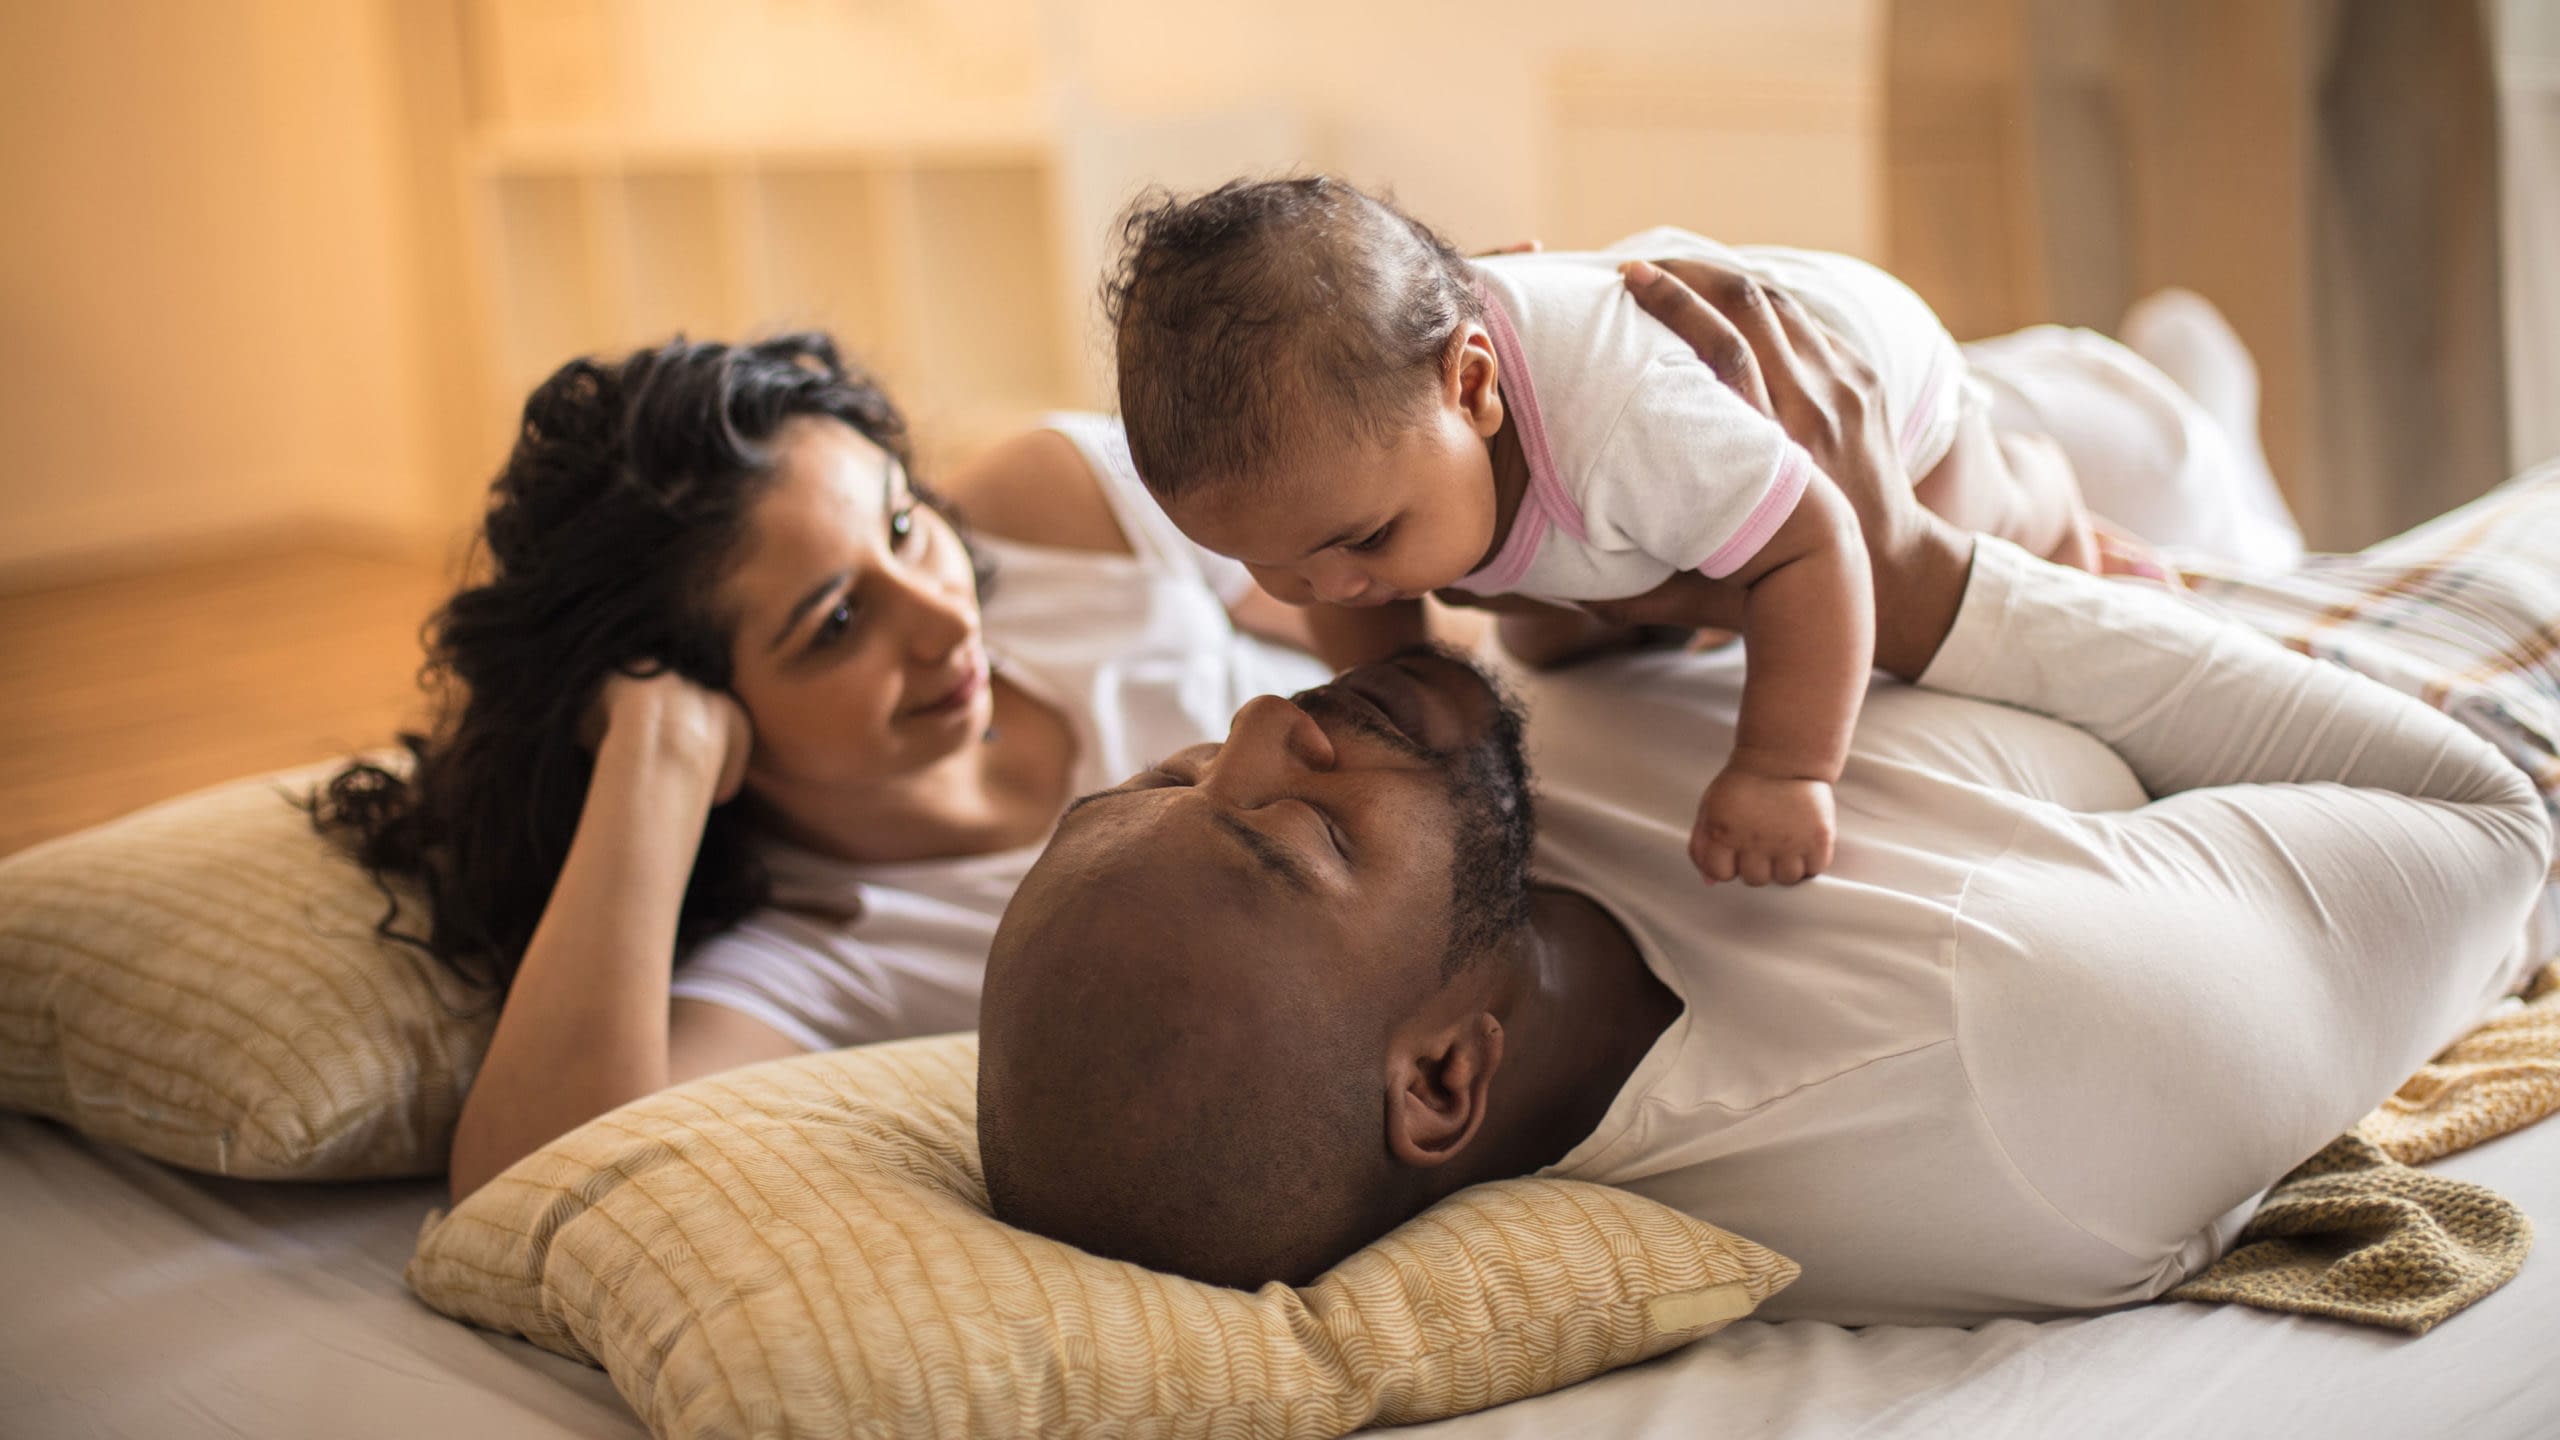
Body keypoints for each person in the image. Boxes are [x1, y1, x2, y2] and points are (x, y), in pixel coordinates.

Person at [976, 255, 2554, 1324]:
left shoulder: (1469, 836)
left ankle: (2160, 418)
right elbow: (2494, 821)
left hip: (2159, 601)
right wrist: (1914, 567)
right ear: (1445, 1082)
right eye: (1295, 832)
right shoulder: (2018, 1045)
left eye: (1178, 772)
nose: (1265, 722)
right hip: (2464, 669)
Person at [1107, 177, 2113, 889]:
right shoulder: (1368, 468)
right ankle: (1665, 581)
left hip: (1869, 384)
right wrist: (1391, 705)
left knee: (1938, 558)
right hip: (1623, 482)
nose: (1320, 590)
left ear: (1472, 386)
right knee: (1544, 637)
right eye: (1265, 565)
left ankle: (2056, 497)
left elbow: (1818, 546)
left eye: (1362, 541)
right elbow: (1368, 615)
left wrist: (1780, 768)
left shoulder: (1625, 421)